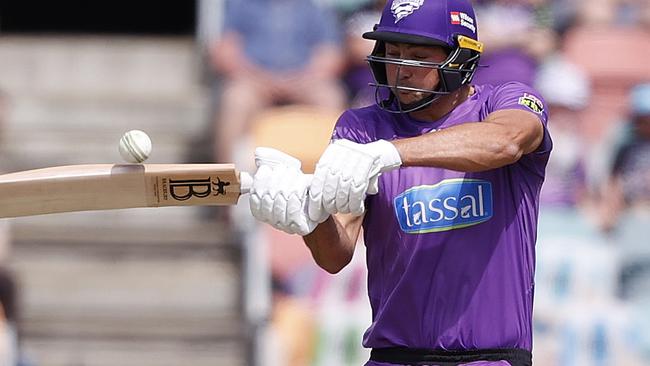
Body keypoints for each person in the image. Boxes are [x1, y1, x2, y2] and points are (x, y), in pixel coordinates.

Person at [249, 1, 552, 365]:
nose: (402, 70)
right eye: (393, 53)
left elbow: (505, 142)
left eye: (418, 56)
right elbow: (335, 255)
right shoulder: (360, 128)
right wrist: (308, 219)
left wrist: (389, 153)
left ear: (459, 58)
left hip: (489, 358)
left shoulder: (507, 101)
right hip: (393, 357)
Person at [208, 0, 347, 163]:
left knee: (330, 98)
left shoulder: (315, 9)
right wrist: (261, 79)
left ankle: (336, 170)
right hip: (254, 83)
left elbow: (330, 54)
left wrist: (301, 79)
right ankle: (227, 177)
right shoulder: (241, 6)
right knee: (236, 100)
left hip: (304, 82)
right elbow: (225, 51)